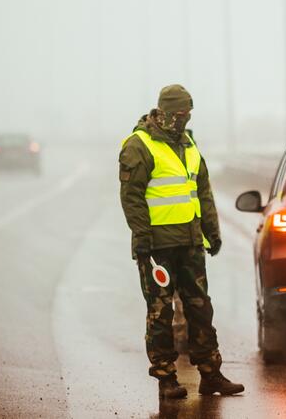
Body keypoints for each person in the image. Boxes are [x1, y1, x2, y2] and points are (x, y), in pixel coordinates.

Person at [119, 84, 244, 399]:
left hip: (190, 243)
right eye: (178, 115)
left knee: (201, 309)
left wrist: (211, 232)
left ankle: (211, 374)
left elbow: (202, 191)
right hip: (157, 248)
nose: (183, 120)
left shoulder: (188, 143)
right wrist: (142, 239)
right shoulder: (139, 145)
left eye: (187, 115)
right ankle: (166, 379)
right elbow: (131, 197)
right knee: (160, 313)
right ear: (162, 112)